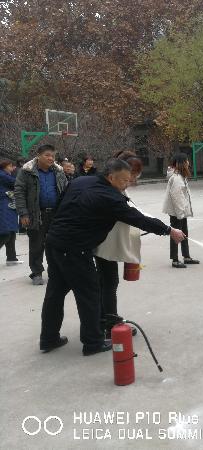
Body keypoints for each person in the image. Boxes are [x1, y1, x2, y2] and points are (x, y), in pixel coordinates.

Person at [40, 158, 186, 356]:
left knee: (55, 292)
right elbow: (138, 219)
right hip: (75, 248)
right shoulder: (110, 197)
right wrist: (169, 230)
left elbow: (59, 206)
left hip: (53, 241)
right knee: (90, 294)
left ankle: (48, 338)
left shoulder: (80, 181)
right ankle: (93, 343)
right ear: (110, 177)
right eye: (124, 180)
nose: (127, 184)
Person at [94, 150, 145, 338]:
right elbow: (127, 215)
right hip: (104, 244)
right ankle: (110, 326)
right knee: (109, 283)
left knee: (105, 283)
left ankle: (102, 321)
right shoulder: (111, 191)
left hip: (105, 243)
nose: (133, 179)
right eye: (132, 175)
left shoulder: (116, 187)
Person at [14, 144, 68, 285]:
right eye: (47, 155)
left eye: (53, 156)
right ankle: (37, 272)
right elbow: (19, 193)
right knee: (36, 245)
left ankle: (55, 271)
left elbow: (66, 191)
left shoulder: (58, 172)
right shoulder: (26, 172)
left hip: (56, 214)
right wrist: (23, 214)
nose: (51, 158)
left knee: (56, 244)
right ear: (38, 155)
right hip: (36, 214)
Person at [163, 153, 199, 268]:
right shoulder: (177, 178)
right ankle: (175, 260)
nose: (188, 163)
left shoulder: (181, 176)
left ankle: (186, 256)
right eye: (186, 160)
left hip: (180, 212)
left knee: (184, 233)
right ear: (181, 163)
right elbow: (177, 197)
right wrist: (180, 213)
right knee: (176, 234)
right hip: (177, 213)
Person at [0, 159, 21, 265]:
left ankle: (11, 258)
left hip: (10, 205)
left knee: (12, 232)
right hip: (3, 205)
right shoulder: (2, 175)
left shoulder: (6, 175)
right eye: (10, 166)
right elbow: (16, 183)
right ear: (5, 167)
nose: (12, 169)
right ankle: (11, 258)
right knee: (5, 233)